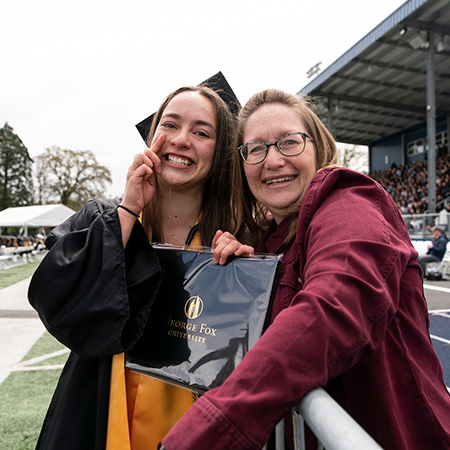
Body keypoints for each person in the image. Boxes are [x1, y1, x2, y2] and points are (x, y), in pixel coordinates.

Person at [160, 89, 450, 450]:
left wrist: (209, 429)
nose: (273, 160)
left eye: (289, 142)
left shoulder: (350, 202)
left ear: (319, 148)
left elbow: (332, 306)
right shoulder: (268, 241)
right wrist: (244, 282)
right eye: (256, 149)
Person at [28, 82, 246, 450]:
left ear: (220, 151)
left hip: (191, 424)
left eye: (201, 132)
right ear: (152, 136)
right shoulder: (105, 220)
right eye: (170, 125)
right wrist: (128, 212)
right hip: (98, 413)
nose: (181, 140)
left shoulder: (233, 239)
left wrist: (242, 271)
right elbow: (57, 305)